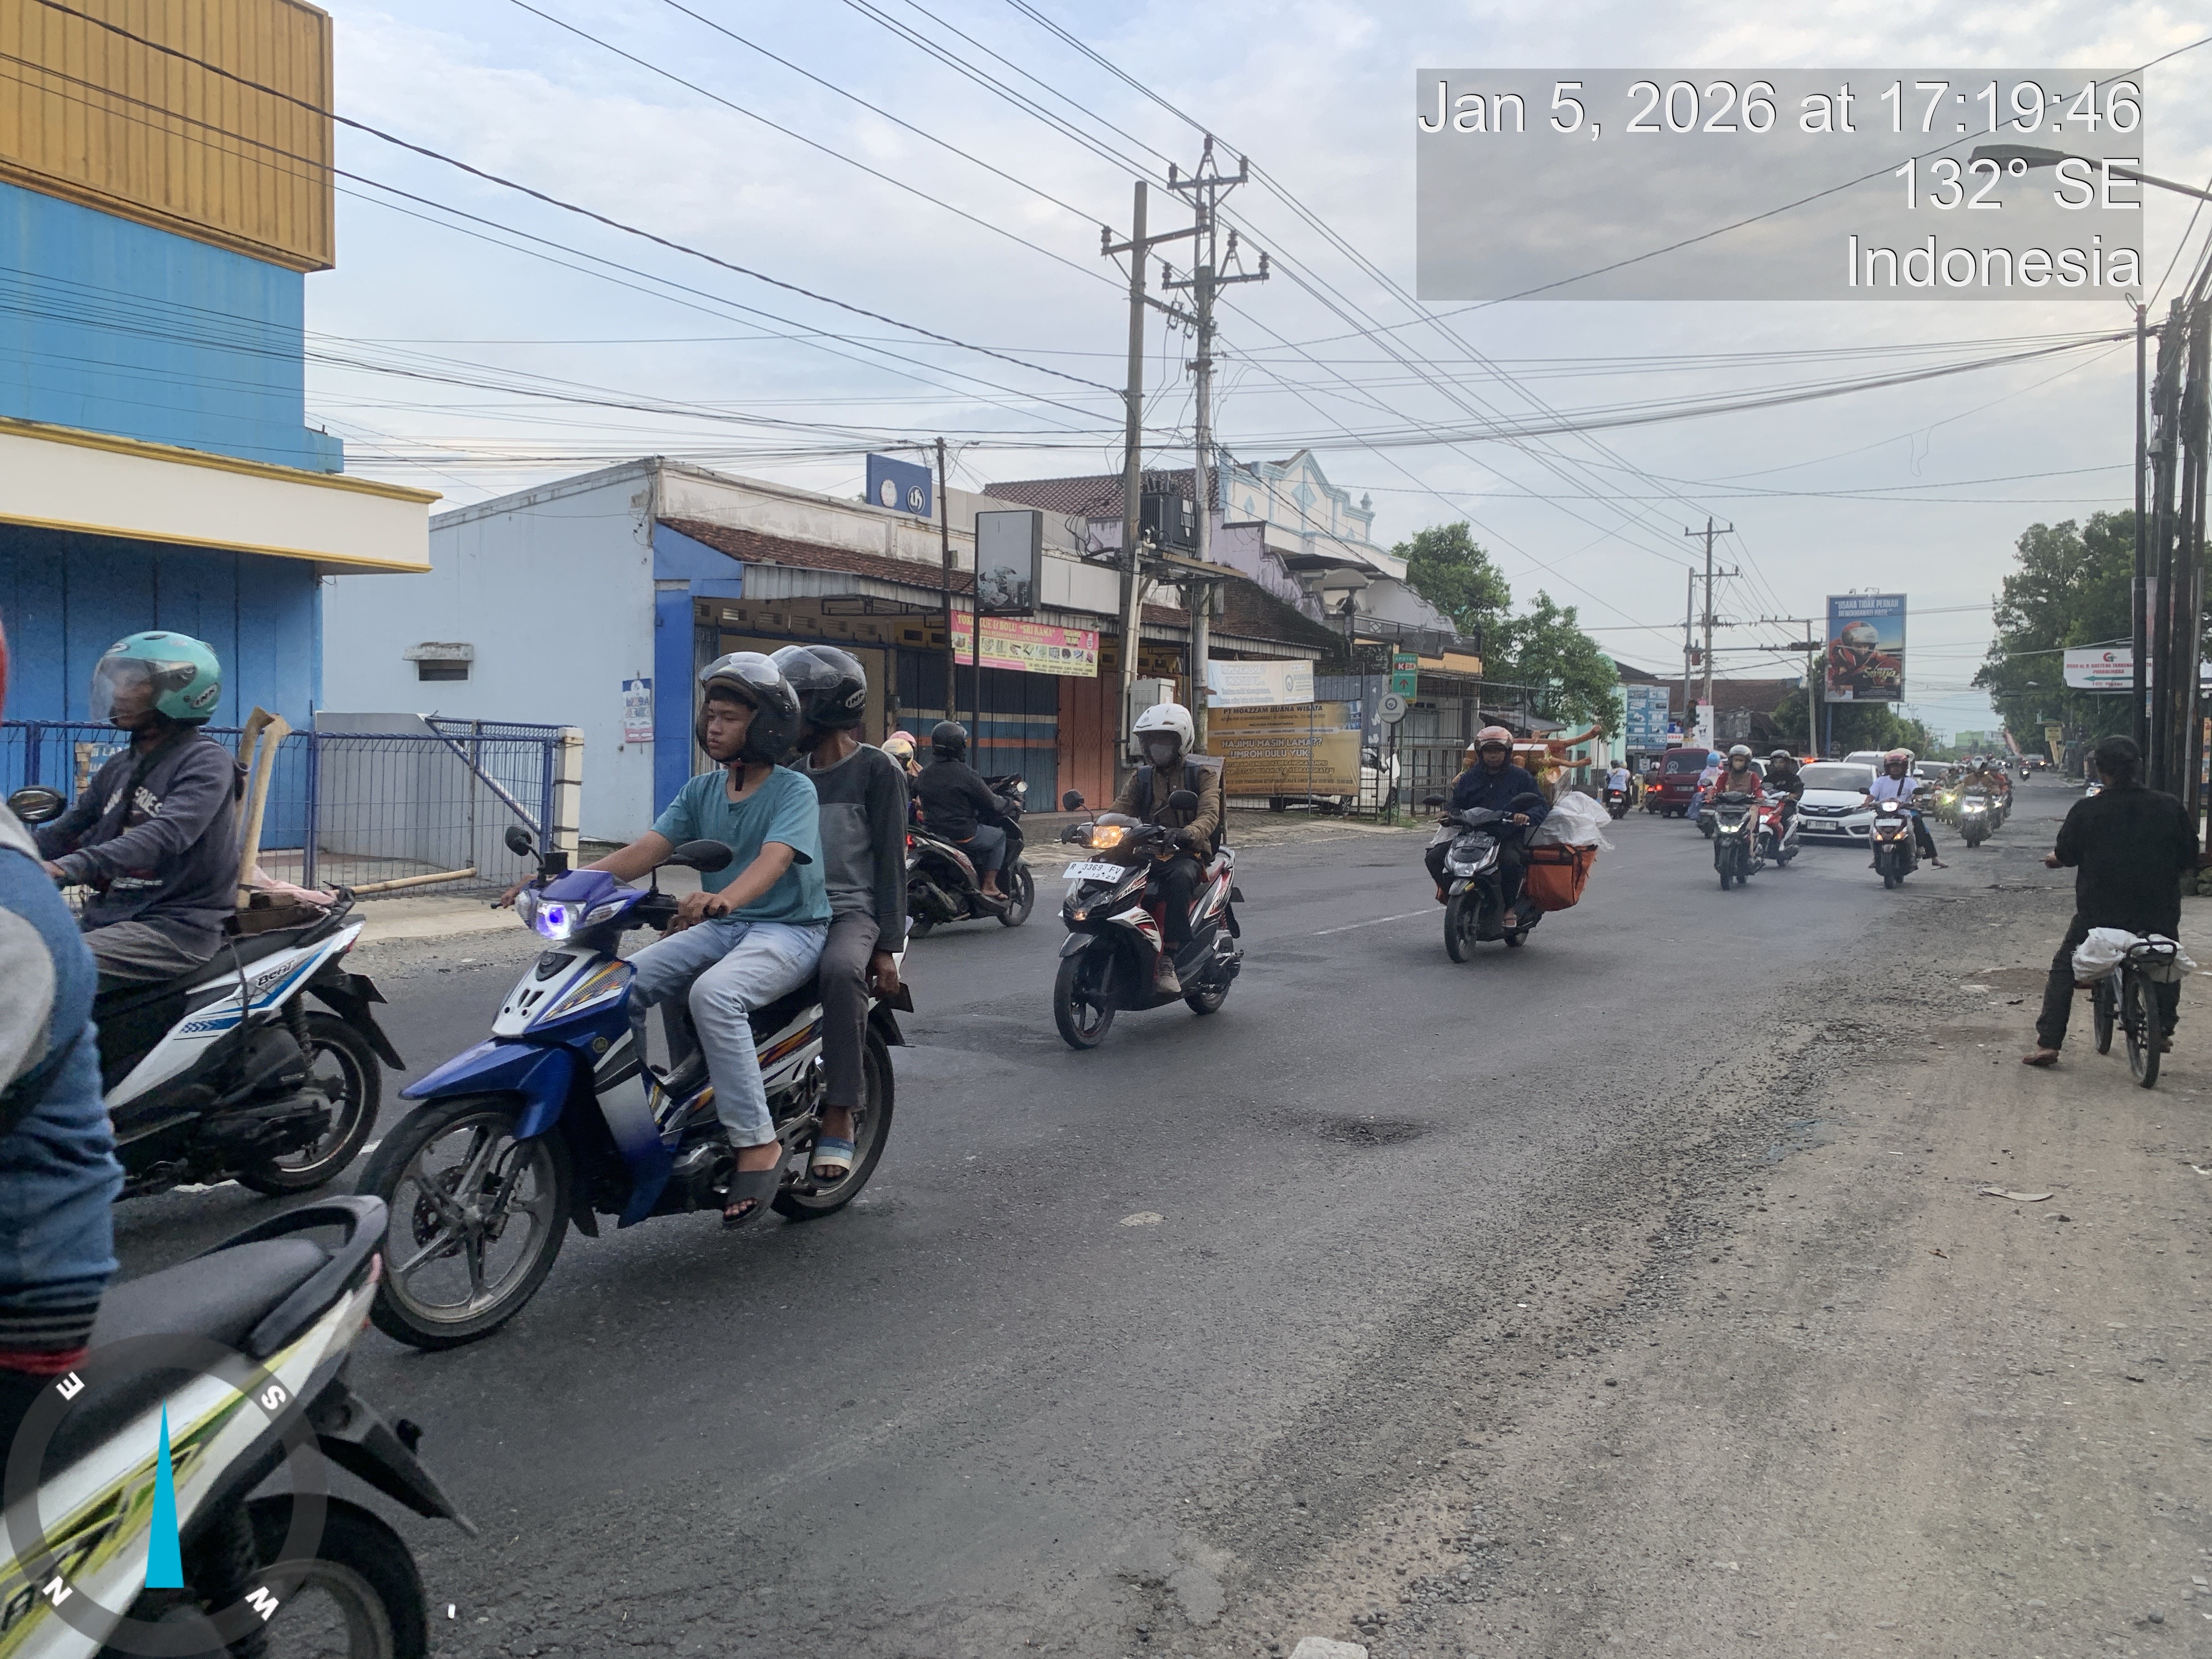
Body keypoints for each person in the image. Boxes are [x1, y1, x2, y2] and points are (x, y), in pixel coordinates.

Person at [529, 653, 830, 1230]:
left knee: (715, 996)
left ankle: (756, 1141)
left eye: (729, 717)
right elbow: (644, 852)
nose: (714, 726)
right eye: (710, 715)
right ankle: (636, 1121)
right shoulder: (700, 792)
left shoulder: (794, 791)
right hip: (725, 926)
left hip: (790, 931)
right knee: (616, 987)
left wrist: (725, 899)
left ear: (765, 725)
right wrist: (562, 886)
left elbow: (775, 859)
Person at [0, 618, 125, 1446]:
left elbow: (171, 842)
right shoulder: (124, 765)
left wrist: (63, 872)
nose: (126, 694)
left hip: (177, 919)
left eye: (142, 683)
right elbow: (76, 822)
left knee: (96, 968)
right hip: (111, 900)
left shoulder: (197, 766)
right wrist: (58, 850)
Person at [33, 633, 239, 992]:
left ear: (180, 690)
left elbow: (165, 835)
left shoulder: (206, 761)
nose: (119, 692)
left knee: (36, 969)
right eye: (117, 680)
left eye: (135, 681)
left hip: (171, 928)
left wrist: (68, 867)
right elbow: (69, 829)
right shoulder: (120, 766)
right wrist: (17, 853)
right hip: (111, 916)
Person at [773, 645, 907, 1184]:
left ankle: (840, 1114)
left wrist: (886, 948)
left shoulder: (877, 769)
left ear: (825, 707)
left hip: (852, 913)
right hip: (791, 912)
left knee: (840, 971)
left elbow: (890, 862)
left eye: (794, 702)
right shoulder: (786, 772)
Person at [2024, 734, 2198, 1066]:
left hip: (2100, 913)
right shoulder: (2169, 805)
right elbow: (2189, 856)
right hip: (2158, 909)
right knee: (2165, 959)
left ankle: (2049, 1044)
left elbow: (2067, 854)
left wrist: (2056, 859)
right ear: (2138, 768)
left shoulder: (2088, 809)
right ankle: (2162, 1030)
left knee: (2064, 966)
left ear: (2099, 769)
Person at [1104, 702, 1222, 996]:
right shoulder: (1142, 777)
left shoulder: (1203, 775)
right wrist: (1096, 828)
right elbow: (1120, 808)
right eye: (1151, 741)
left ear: (1181, 742)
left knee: (1180, 878)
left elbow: (1209, 814)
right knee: (1105, 868)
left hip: (1186, 851)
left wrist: (1187, 833)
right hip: (1147, 849)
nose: (1156, 747)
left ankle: (1168, 956)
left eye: (1164, 741)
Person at [1427, 726, 1549, 915]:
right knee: (1434, 857)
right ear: (1480, 753)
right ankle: (1458, 899)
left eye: (1498, 751)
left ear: (1507, 752)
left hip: (1505, 835)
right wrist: (1448, 813)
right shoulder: (1469, 778)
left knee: (1511, 863)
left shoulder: (1521, 778)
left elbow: (1540, 804)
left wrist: (1526, 816)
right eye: (1489, 751)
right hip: (1471, 835)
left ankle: (1509, 908)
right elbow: (1456, 803)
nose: (1493, 756)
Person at [912, 721, 1011, 909]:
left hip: (932, 833)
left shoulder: (925, 773)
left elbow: (912, 794)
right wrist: (1010, 804)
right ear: (960, 746)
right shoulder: (966, 774)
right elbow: (993, 803)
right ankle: (989, 885)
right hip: (963, 834)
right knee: (999, 837)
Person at [1861, 748, 1944, 867]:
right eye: (1892, 766)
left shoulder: (1910, 782)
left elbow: (1917, 795)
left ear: (1904, 767)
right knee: (1872, 833)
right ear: (1887, 767)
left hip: (1905, 813)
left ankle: (1924, 857)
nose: (1895, 769)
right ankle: (1876, 858)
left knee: (1915, 828)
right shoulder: (1881, 781)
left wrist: (1917, 803)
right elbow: (1871, 795)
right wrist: (1866, 803)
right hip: (1883, 815)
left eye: (1898, 766)